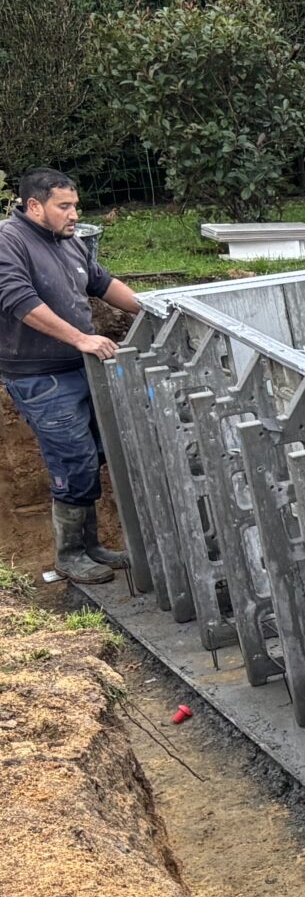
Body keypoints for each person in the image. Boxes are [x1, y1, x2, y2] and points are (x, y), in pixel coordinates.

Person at [0, 169, 144, 585]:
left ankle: (92, 545)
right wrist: (80, 337)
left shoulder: (69, 242)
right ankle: (69, 553)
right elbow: (19, 300)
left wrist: (153, 308)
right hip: (39, 376)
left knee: (95, 452)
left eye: (75, 205)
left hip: (79, 369)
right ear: (33, 206)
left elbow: (101, 282)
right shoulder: (10, 241)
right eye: (64, 206)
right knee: (72, 458)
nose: (73, 214)